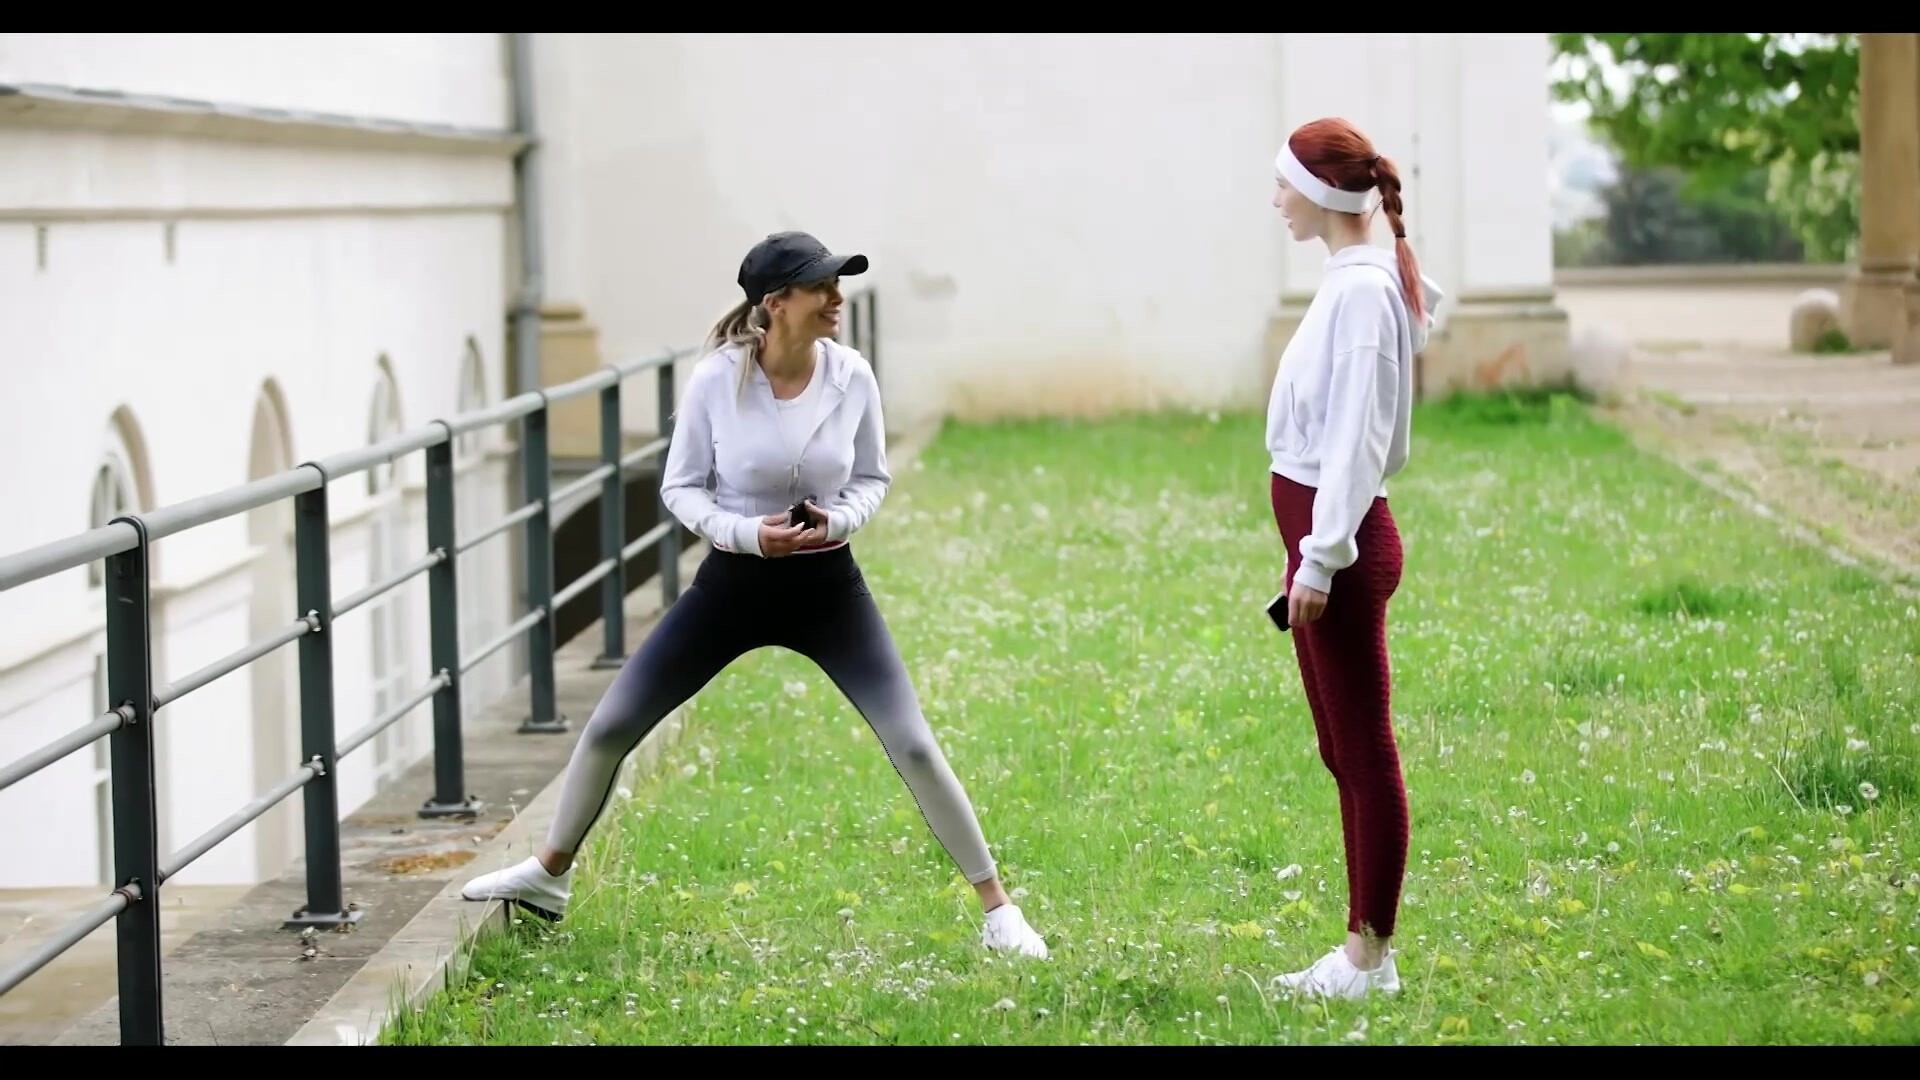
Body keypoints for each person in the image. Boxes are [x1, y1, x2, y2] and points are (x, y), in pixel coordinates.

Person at [459, 230, 1049, 959]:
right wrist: (746, 535)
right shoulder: (717, 380)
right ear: (776, 302)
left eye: (837, 283)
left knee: (914, 743)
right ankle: (549, 876)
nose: (836, 297)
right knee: (610, 726)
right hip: (732, 587)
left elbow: (872, 477)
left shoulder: (852, 375)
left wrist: (836, 520)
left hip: (829, 589)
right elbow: (681, 487)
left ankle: (999, 912)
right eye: (821, 286)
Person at [1262, 118, 1443, 1000]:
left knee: (1365, 751)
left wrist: (1321, 559)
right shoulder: (1352, 280)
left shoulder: (1364, 294)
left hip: (1343, 548)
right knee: (1341, 748)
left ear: (1321, 192)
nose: (1276, 199)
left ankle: (1371, 958)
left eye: (1284, 183)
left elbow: (1357, 441)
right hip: (1323, 544)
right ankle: (1361, 951)